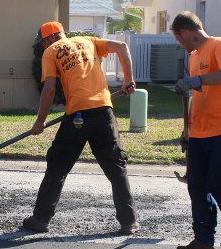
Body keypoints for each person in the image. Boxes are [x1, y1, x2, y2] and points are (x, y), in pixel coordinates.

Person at [22, 21, 139, 235]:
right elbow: (122, 47)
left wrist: (40, 121)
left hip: (78, 115)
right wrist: (128, 80)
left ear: (50, 38)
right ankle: (128, 222)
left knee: (58, 165)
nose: (43, 46)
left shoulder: (51, 51)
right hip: (104, 112)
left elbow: (49, 89)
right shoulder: (88, 41)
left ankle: (40, 219)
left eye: (42, 42)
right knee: (116, 167)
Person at [170, 11, 221, 249]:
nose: (179, 43)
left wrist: (197, 80)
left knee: (218, 179)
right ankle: (203, 240)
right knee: (197, 185)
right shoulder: (193, 57)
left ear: (185, 32)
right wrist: (187, 128)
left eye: (178, 38)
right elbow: (198, 93)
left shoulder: (219, 44)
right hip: (199, 129)